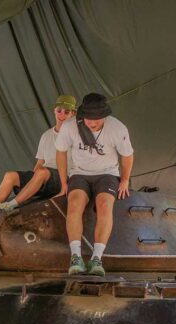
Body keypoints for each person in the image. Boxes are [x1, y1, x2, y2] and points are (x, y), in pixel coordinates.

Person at [55, 92, 134, 277]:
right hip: (80, 173)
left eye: (97, 119)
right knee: (74, 205)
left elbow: (128, 155)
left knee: (105, 206)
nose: (92, 123)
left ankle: (96, 258)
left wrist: (124, 179)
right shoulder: (70, 126)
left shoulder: (117, 128)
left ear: (104, 115)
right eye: (88, 118)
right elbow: (60, 152)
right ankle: (75, 257)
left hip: (107, 173)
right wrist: (63, 182)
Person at [0, 95, 76, 212]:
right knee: (10, 176)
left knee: (42, 172)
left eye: (66, 112)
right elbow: (40, 163)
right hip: (44, 176)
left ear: (73, 114)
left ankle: (9, 206)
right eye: (59, 111)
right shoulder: (46, 136)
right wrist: (33, 181)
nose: (62, 115)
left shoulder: (76, 135)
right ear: (54, 111)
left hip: (63, 178)